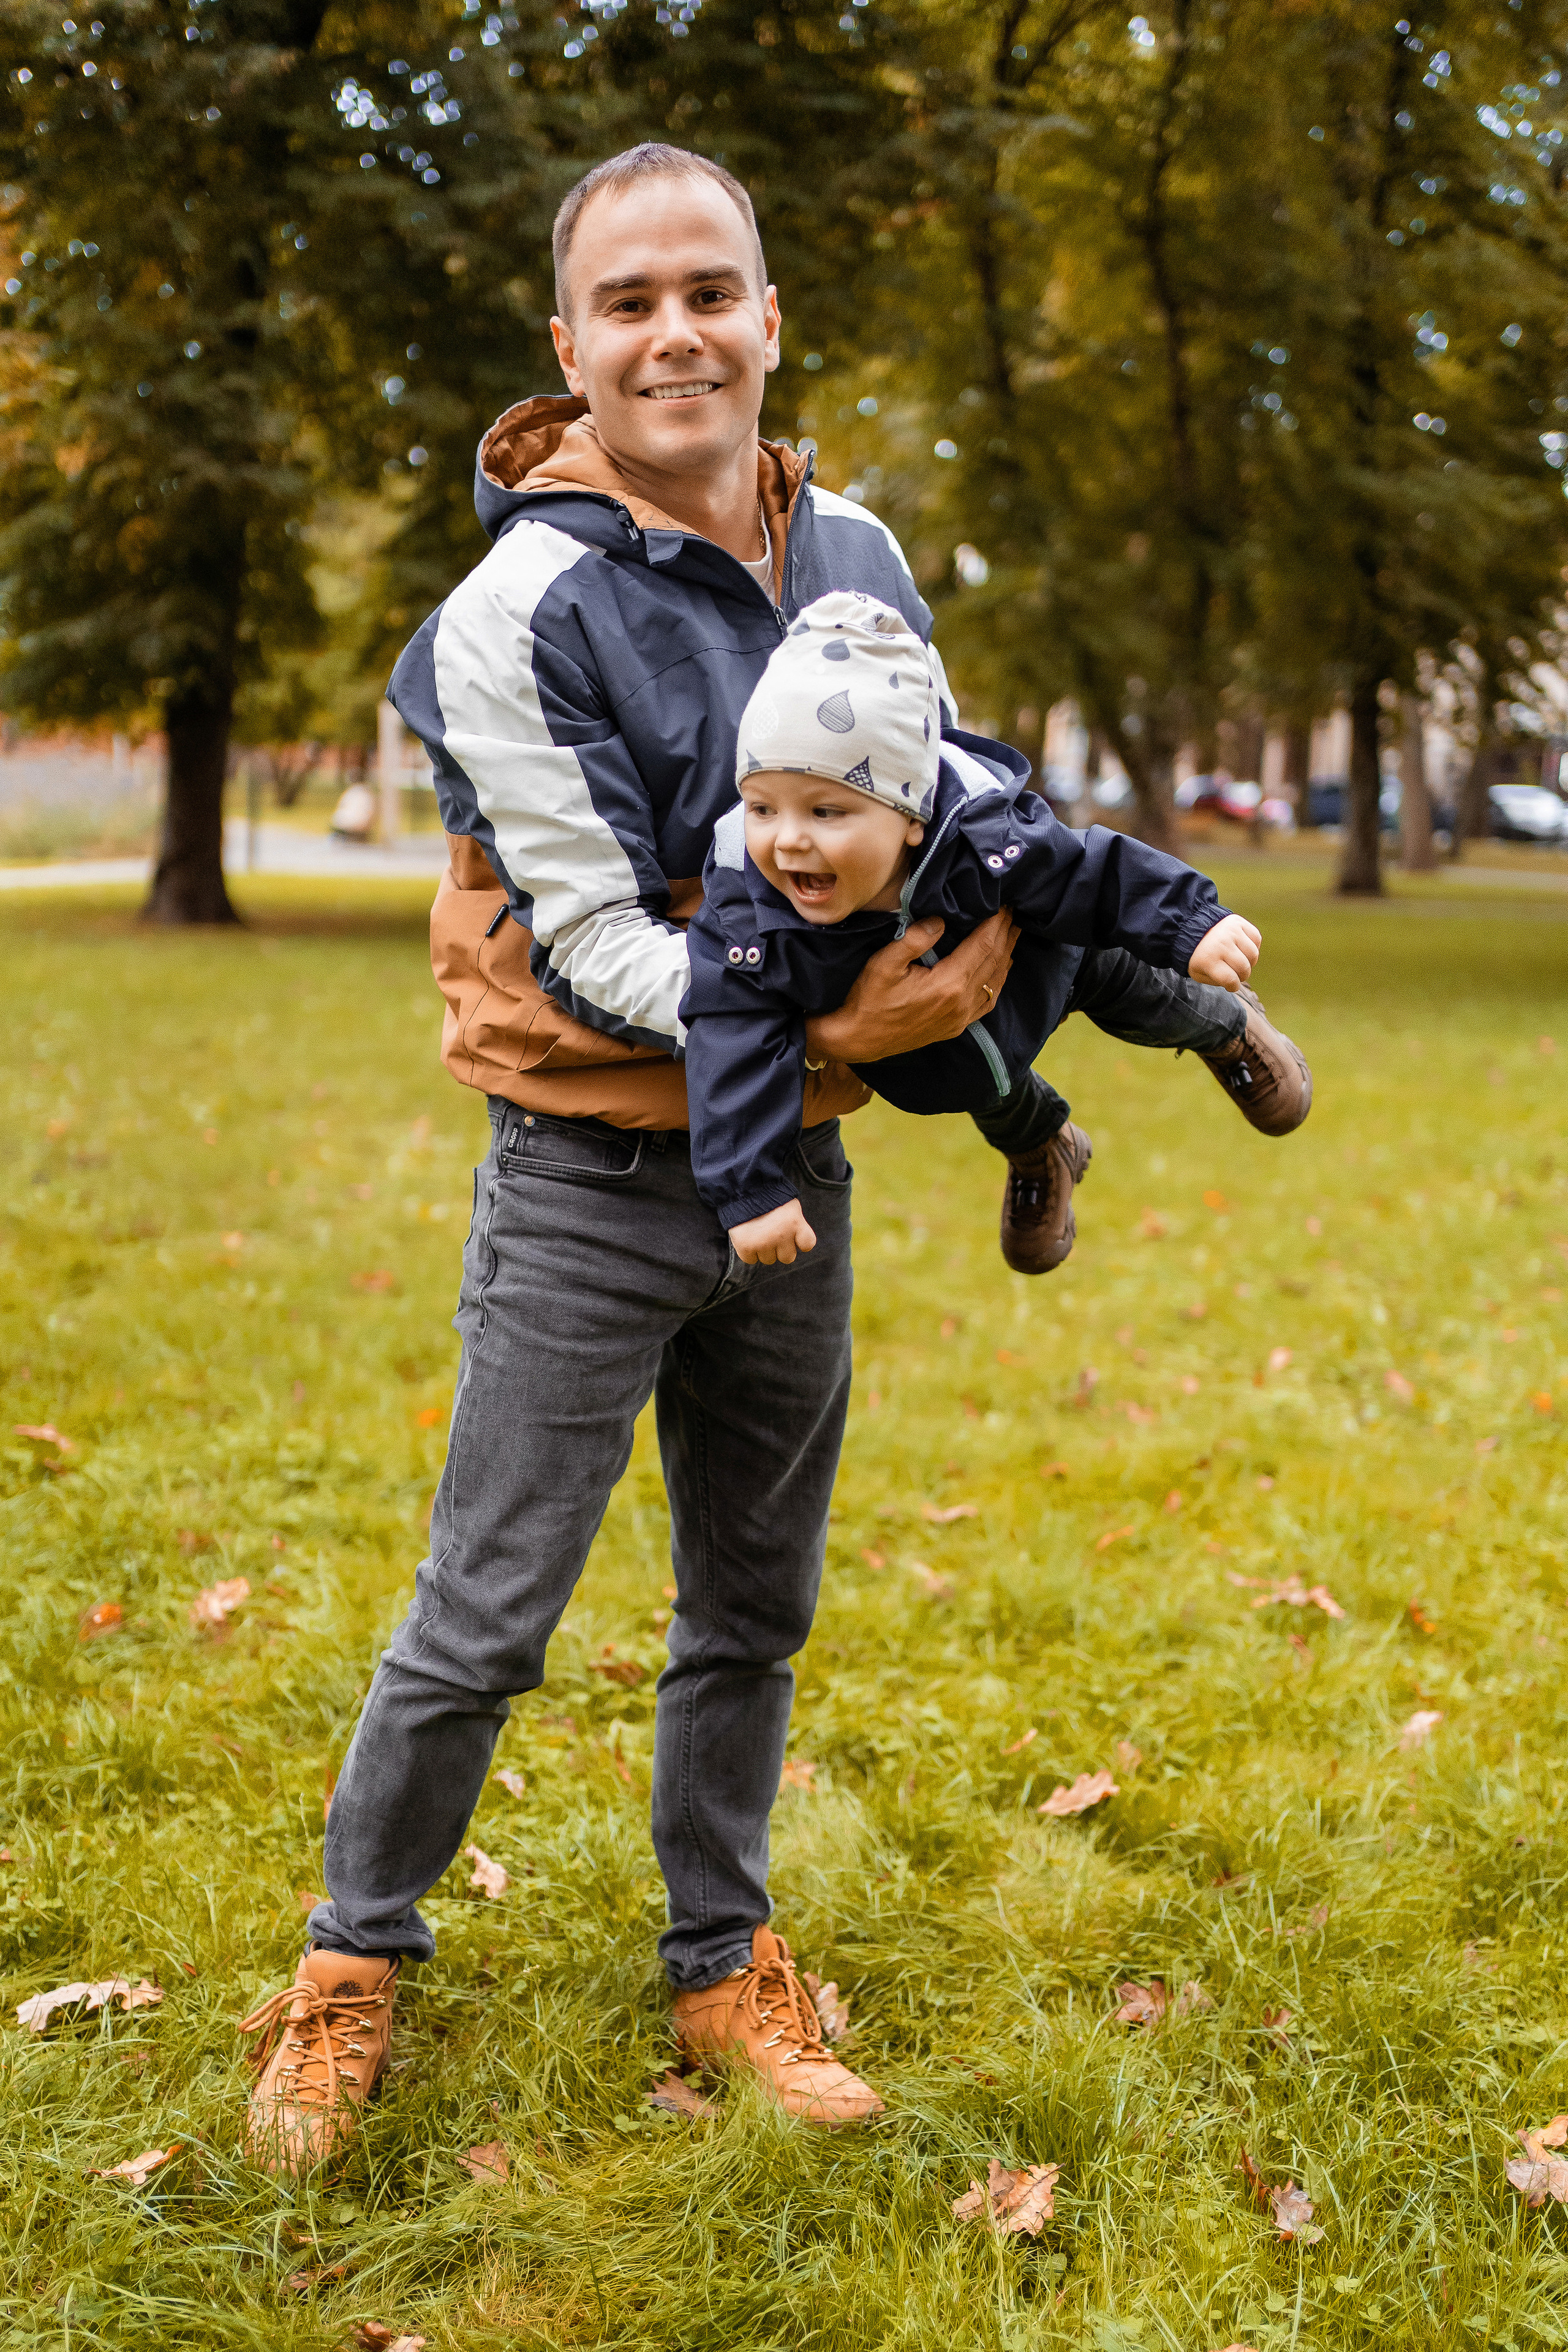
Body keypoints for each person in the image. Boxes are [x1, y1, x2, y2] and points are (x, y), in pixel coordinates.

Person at [232, 141, 1289, 2173]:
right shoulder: (507, 610)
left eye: (710, 289)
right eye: (628, 303)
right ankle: (351, 1967)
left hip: (803, 1182)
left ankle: (721, 1959)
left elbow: (947, 780)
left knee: (754, 1606)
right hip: (591, 1181)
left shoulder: (863, 551)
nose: (675, 333)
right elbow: (601, 939)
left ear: (770, 314)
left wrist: (1000, 935)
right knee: (488, 1614)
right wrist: (846, 1021)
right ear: (569, 347)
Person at [683, 593, 1308, 1267]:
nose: (786, 842)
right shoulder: (748, 915)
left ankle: (1228, 1027)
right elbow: (730, 1033)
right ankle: (1046, 1145)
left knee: (1143, 996)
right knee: (984, 1081)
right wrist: (751, 1192)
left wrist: (1192, 924)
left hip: (1050, 962)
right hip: (930, 1050)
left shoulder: (987, 835)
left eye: (826, 812)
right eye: (762, 808)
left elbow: (1093, 869)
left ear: (911, 816)